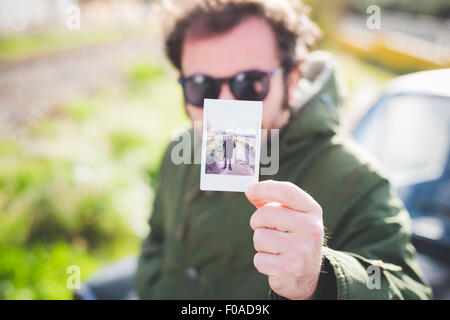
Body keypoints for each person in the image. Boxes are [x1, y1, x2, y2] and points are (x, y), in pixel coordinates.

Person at [135, 0, 432, 299]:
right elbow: (156, 245)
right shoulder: (179, 151)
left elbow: (410, 291)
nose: (226, 104)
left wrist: (323, 279)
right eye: (201, 86)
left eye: (249, 84)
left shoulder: (357, 178)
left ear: (291, 80)